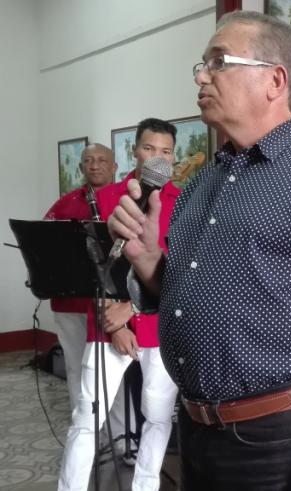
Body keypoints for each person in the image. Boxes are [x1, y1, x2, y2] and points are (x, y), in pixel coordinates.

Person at [108, 11, 291, 490]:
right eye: (201, 64)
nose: (201, 75)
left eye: (218, 61)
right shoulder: (201, 184)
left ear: (275, 81)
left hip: (277, 442)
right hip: (195, 430)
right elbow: (185, 296)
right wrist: (150, 262)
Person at [58, 119, 180, 491]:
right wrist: (117, 322)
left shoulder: (185, 202)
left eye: (165, 152)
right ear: (134, 151)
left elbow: (177, 272)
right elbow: (94, 268)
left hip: (158, 327)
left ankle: (145, 485)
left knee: (157, 417)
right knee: (86, 416)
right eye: (149, 149)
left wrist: (135, 312)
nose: (156, 157)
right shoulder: (106, 198)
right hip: (108, 323)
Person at [44, 144, 117, 412]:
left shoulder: (125, 200)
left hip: (112, 305)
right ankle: (84, 429)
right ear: (81, 167)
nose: (94, 165)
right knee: (76, 367)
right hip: (70, 305)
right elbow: (43, 247)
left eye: (101, 160)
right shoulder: (64, 205)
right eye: (88, 160)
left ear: (114, 167)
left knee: (114, 371)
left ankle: (118, 439)